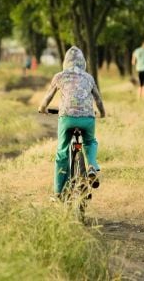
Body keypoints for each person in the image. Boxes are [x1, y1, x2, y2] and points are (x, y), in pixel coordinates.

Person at [38, 46, 106, 200]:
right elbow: (98, 100)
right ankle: (92, 166)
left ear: (65, 62)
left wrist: (42, 108)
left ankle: (59, 192)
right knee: (90, 142)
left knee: (62, 151)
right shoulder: (89, 77)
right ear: (83, 62)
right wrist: (102, 113)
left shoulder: (59, 76)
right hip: (88, 118)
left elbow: (47, 97)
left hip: (67, 118)